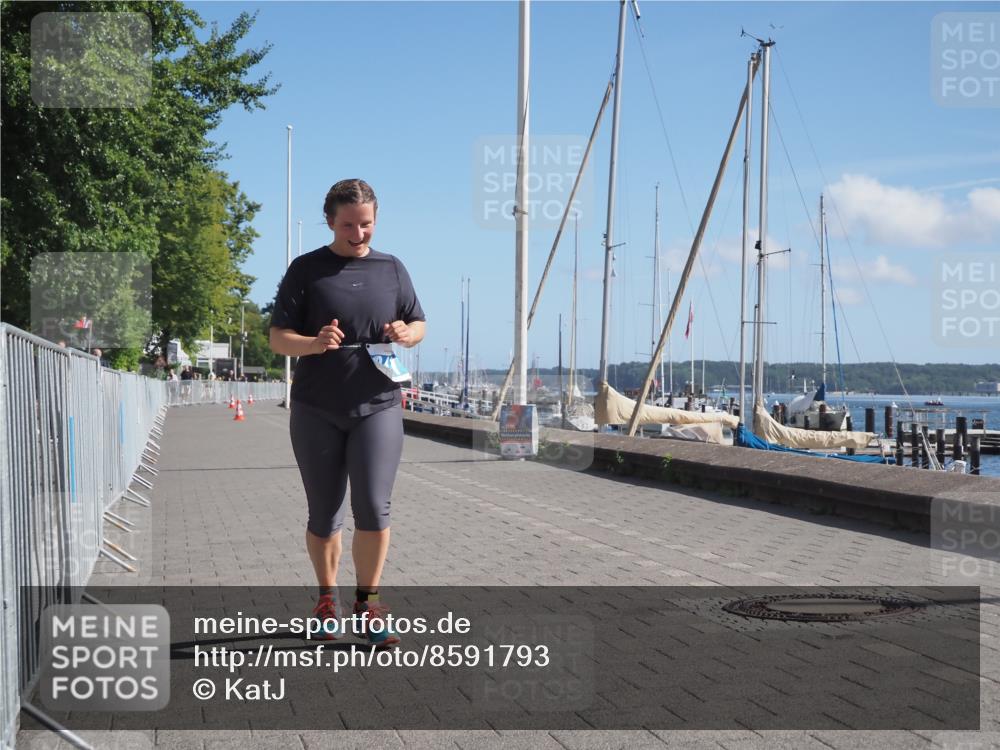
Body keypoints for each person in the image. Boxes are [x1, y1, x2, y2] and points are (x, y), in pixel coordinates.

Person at [269, 179, 425, 647]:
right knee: (324, 512)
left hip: (377, 404)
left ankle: (368, 603)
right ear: (331, 222)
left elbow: (419, 323)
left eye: (367, 224)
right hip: (317, 406)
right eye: (349, 225)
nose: (359, 234)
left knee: (374, 507)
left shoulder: (391, 268)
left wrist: (406, 333)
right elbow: (278, 338)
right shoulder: (307, 270)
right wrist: (314, 342)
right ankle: (325, 600)